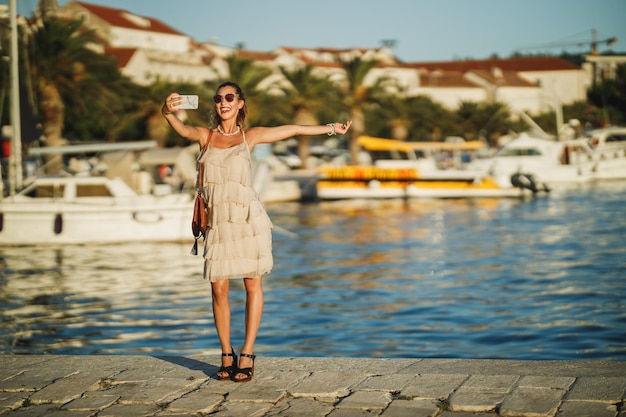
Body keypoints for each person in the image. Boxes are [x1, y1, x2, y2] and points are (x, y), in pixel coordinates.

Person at [162, 81, 351, 382]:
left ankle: (247, 351)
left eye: (229, 98)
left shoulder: (250, 137)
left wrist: (331, 128)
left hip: (249, 220)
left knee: (252, 285)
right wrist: (168, 111)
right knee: (218, 288)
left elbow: (294, 129)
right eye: (218, 98)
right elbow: (181, 129)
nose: (222, 103)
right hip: (219, 223)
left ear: (239, 104)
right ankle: (226, 352)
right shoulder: (205, 136)